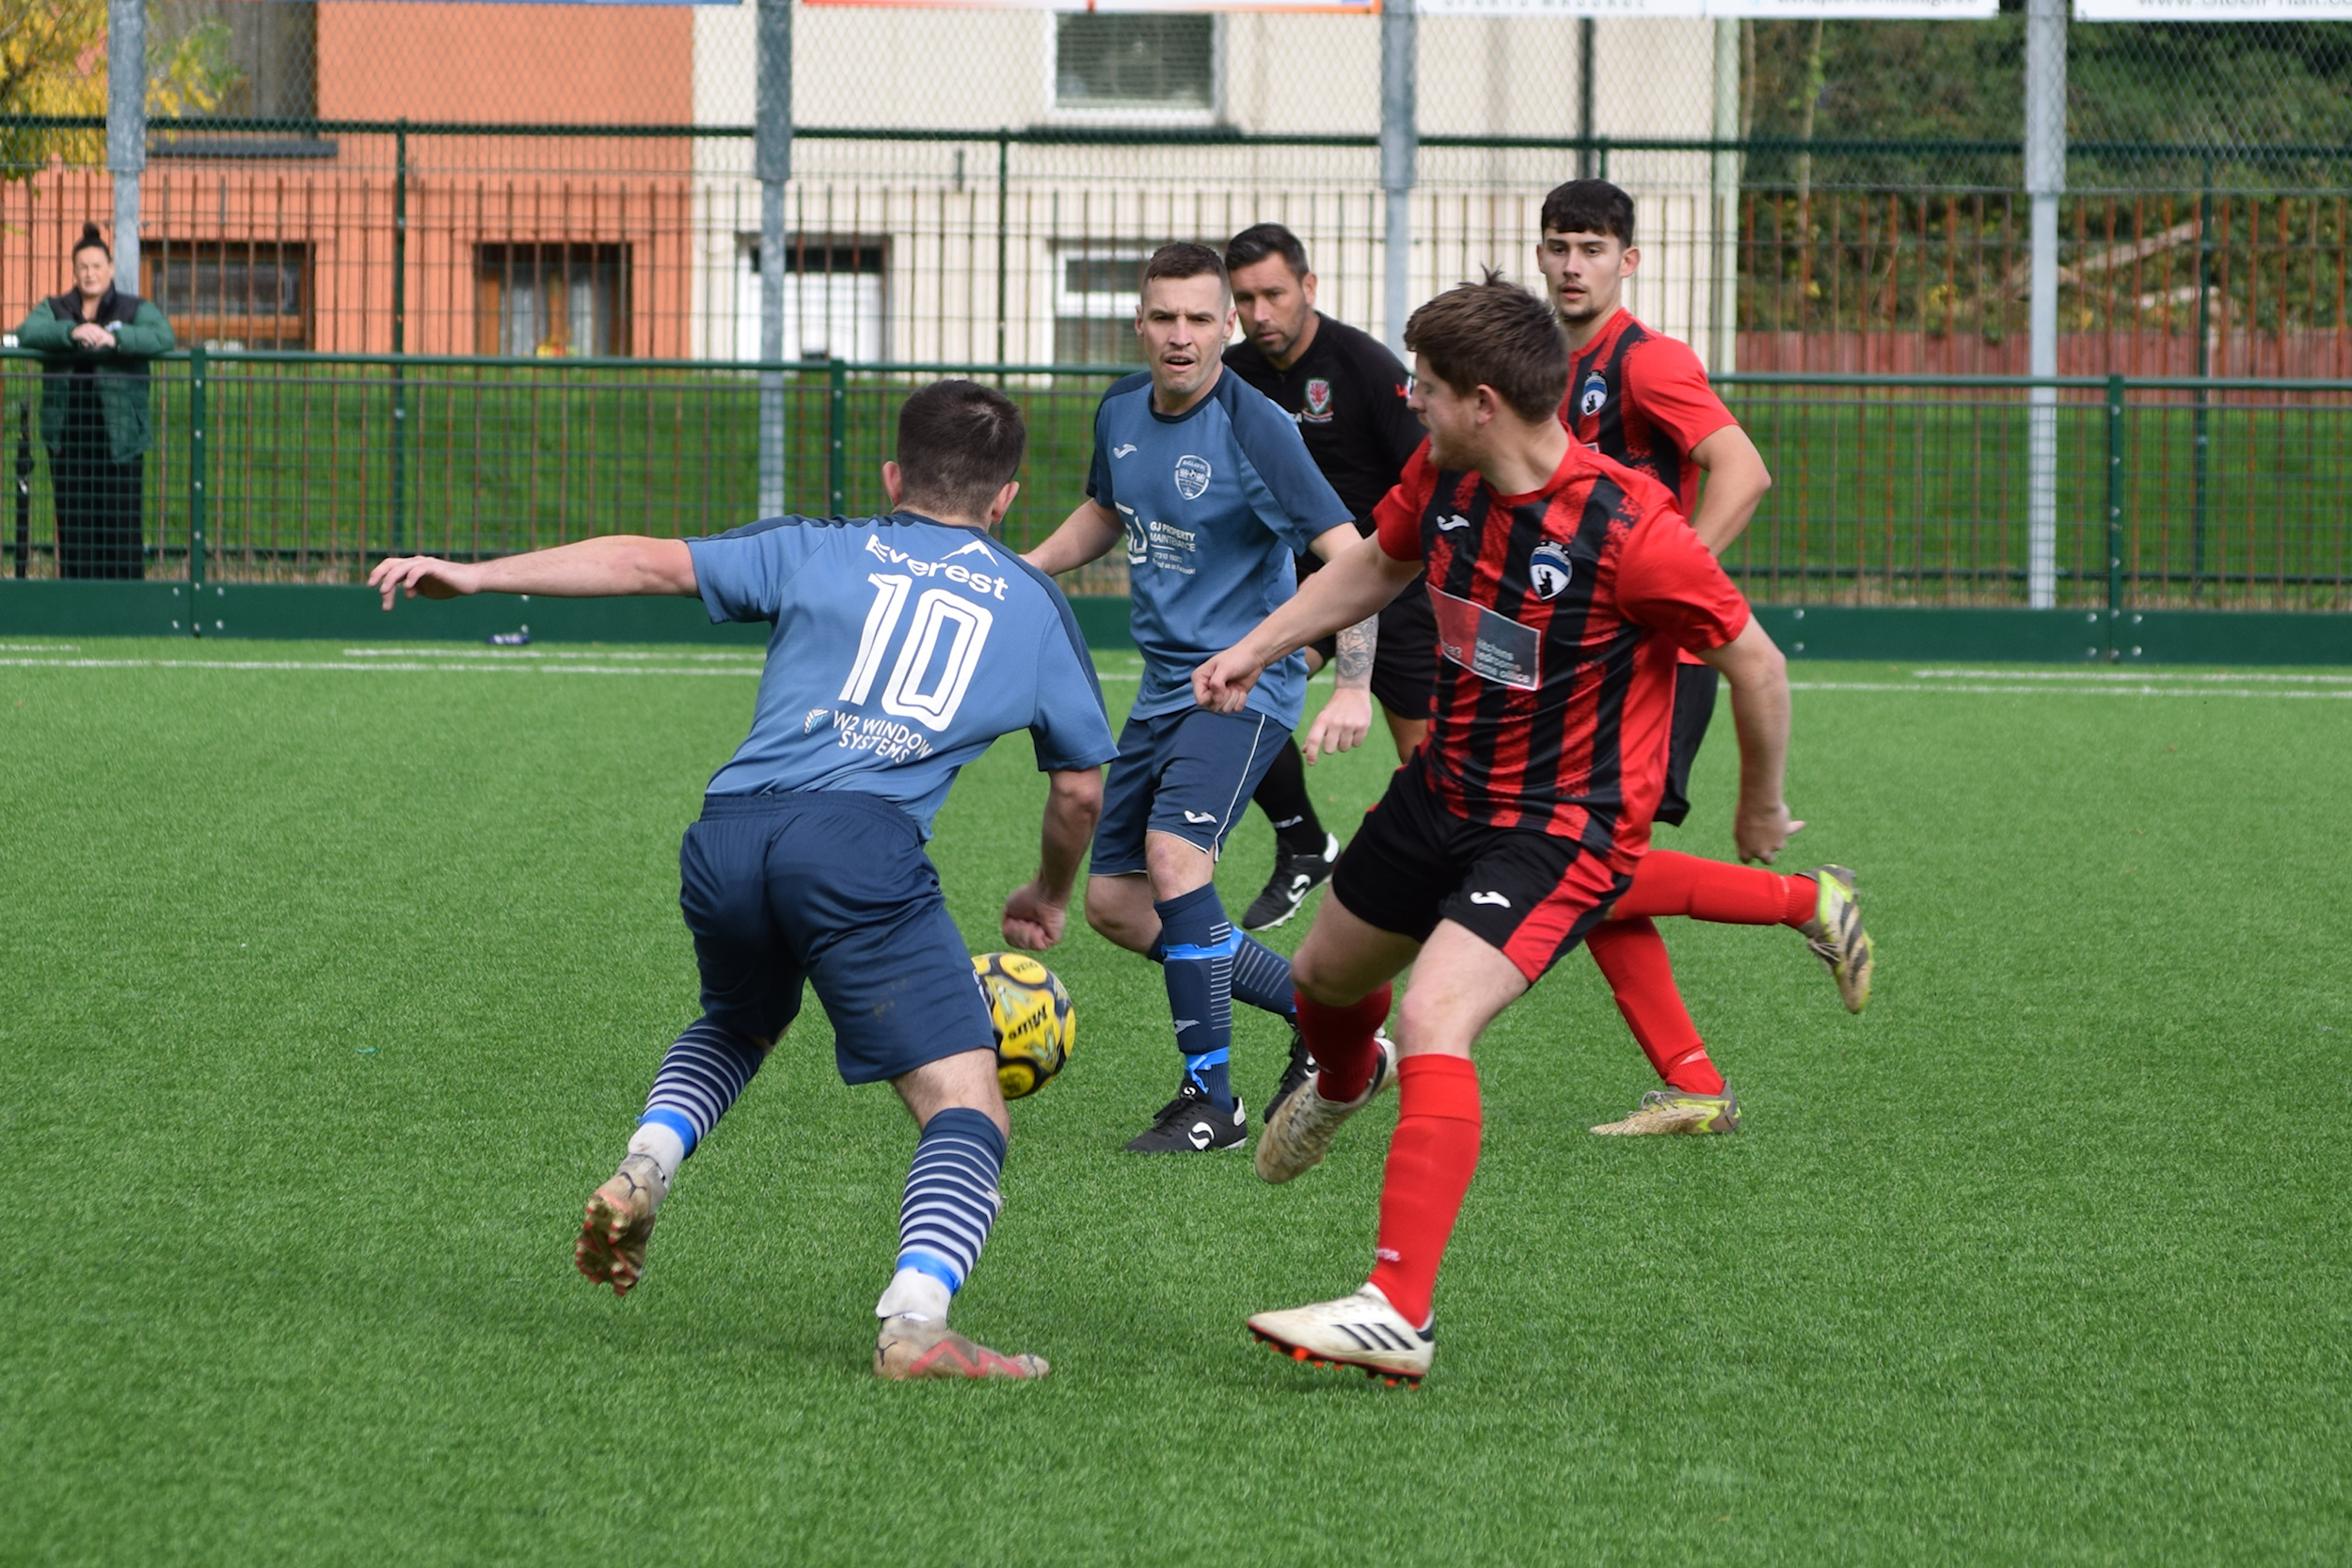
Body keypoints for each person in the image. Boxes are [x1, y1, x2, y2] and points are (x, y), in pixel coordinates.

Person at [367, 380, 1118, 1382]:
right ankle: (915, 1321)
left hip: (729, 830)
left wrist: (469, 573)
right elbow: (1079, 792)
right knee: (966, 1104)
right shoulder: (1033, 603)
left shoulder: (819, 544)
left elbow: (641, 558)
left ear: (892, 476)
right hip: (859, 848)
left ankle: (647, 1163)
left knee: (738, 1019)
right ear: (1007, 499)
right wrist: (1048, 891)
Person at [1193, 277, 1794, 1386]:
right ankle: (1337, 1084)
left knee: (1434, 1013)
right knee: (1327, 982)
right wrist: (1256, 646)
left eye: (1420, 387)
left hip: (1560, 827)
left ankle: (1396, 1309)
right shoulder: (1444, 473)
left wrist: (1758, 802)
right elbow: (1375, 565)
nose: (1404, 402)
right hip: (1442, 788)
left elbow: (1756, 661)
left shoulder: (1634, 532)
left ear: (1480, 401)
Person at [1534, 178, 1873, 1137]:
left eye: (1591, 247)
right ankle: (1692, 1082)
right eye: (1558, 245)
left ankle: (1808, 900)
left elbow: (1744, 467)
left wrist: (1672, 579)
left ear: (1626, 261)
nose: (1571, 263)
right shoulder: (1548, 366)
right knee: (1594, 870)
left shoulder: (1648, 362)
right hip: (1592, 655)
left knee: (1584, 864)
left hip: (1655, 658)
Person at [1024, 242, 1366, 1154]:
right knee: (1117, 903)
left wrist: (1353, 681)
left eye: (1198, 319)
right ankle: (1322, 1016)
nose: (1180, 336)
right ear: (1140, 323)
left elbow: (1353, 557)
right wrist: (1027, 568)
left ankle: (1211, 1099)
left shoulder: (1258, 427)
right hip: (1162, 687)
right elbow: (1108, 510)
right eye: (1162, 317)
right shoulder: (1120, 411)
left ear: (1227, 327)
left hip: (1246, 685)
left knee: (1177, 861)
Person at [1221, 223, 1434, 932]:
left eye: (1274, 295)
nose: (1259, 314)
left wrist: (1355, 677)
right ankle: (1305, 843)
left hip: (1392, 578)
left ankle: (1460, 889)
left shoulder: (1366, 368)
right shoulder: (1231, 376)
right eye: (1244, 298)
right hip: (1297, 586)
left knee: (1429, 770)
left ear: (1307, 288)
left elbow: (1428, 480)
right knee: (1235, 697)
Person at [17, 223, 174, 579]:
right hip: (68, 435)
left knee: (120, 521)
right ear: (74, 272)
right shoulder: (56, 307)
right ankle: (78, 600)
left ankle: (125, 600)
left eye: (97, 267)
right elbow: (28, 331)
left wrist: (115, 340)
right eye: (83, 268)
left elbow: (163, 336)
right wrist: (71, 333)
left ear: (110, 269)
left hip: (119, 437)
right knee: (74, 522)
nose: (90, 274)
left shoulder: (134, 308)